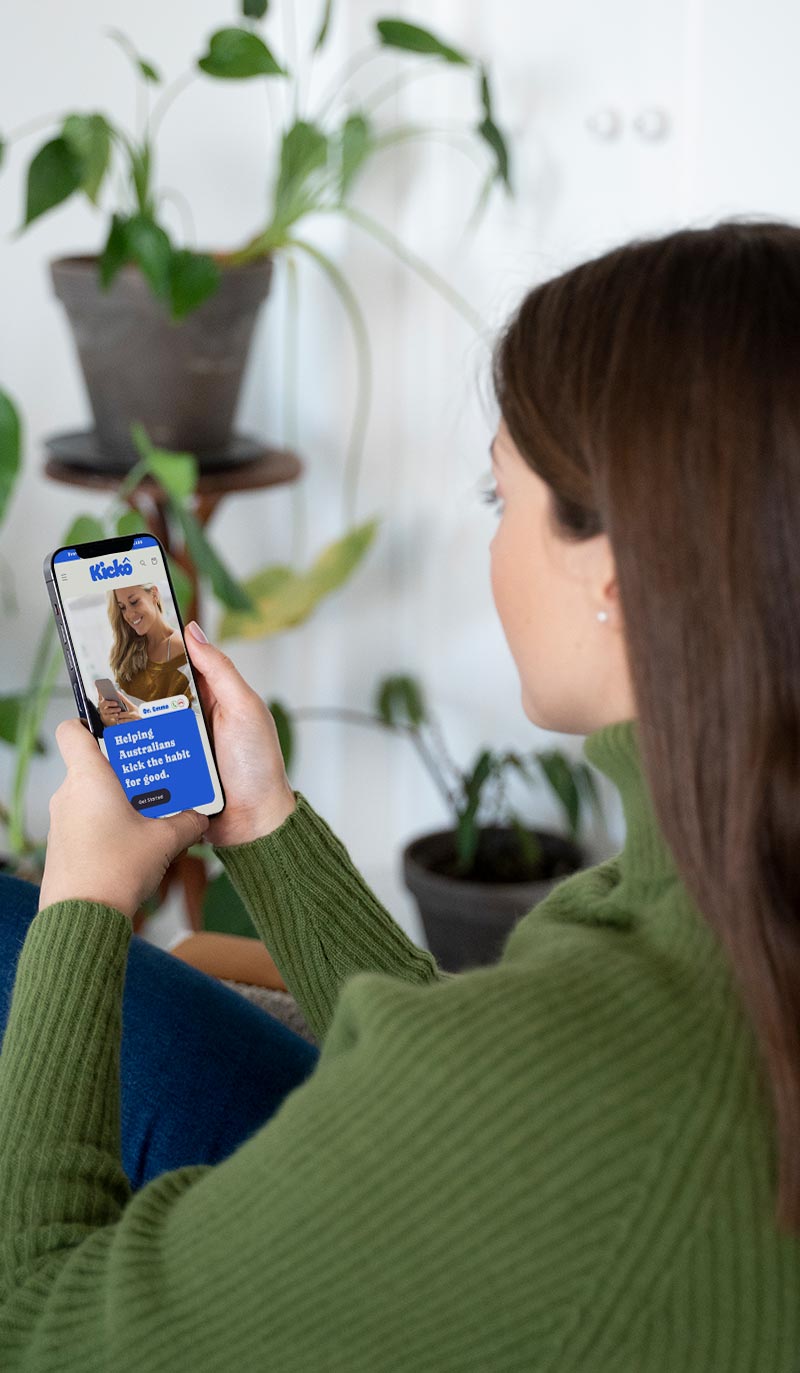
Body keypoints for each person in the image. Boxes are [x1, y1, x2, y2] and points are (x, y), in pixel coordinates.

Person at [2, 219, 800, 1370]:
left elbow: (38, 1330)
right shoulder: (728, 871)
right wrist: (264, 824)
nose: (491, 543)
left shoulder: (560, 1082)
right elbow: (464, 1085)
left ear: (616, 577)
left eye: (498, 499)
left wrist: (82, 900)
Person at [97, 582, 193, 727]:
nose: (129, 614)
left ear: (154, 594)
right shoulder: (130, 653)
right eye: (122, 608)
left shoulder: (183, 648)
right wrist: (107, 717)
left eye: (134, 602)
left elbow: (193, 721)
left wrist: (146, 722)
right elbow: (117, 723)